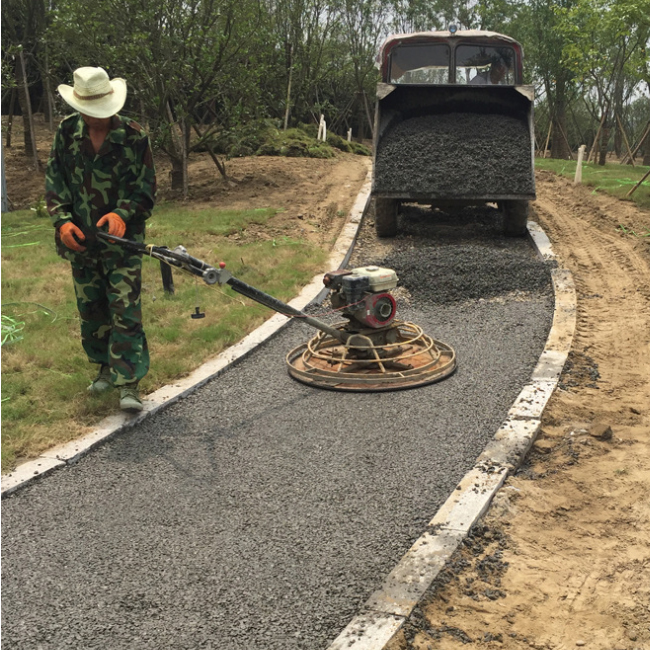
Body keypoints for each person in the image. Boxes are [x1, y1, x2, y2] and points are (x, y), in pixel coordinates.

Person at [46, 67, 156, 413]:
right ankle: (104, 368)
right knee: (92, 310)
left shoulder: (135, 137)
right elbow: (55, 182)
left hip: (122, 245)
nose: (96, 120)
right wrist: (62, 223)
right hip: (81, 242)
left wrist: (123, 214)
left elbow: (146, 190)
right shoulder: (66, 133)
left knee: (125, 310)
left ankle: (129, 383)